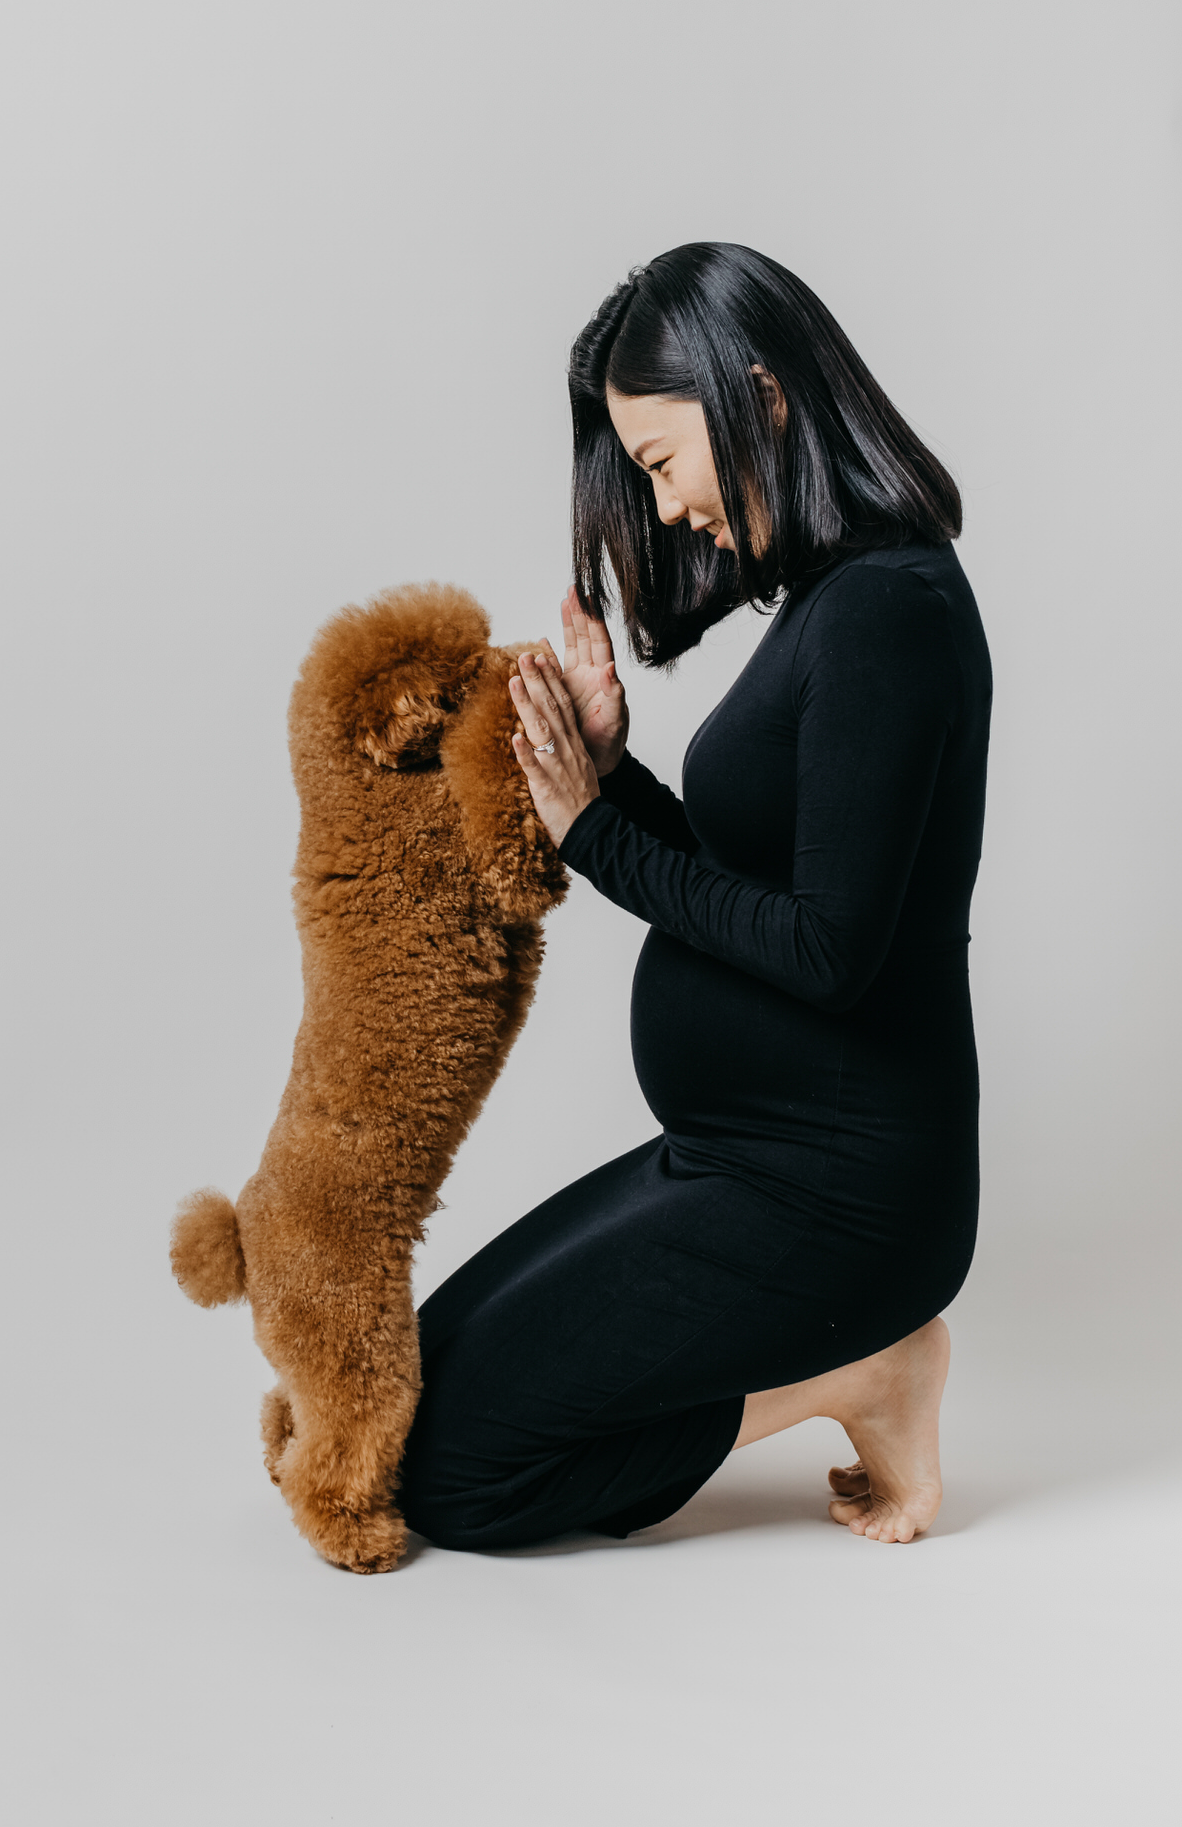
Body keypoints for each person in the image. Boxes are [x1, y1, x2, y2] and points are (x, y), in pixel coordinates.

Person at [398, 241, 990, 1550]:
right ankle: (845, 1366)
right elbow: (760, 884)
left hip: (840, 1197)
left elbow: (830, 953)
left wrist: (595, 833)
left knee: (452, 1478)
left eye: (662, 465)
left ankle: (861, 1373)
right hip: (740, 1159)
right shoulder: (836, 604)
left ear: (762, 396)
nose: (663, 514)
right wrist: (613, 781)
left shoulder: (887, 611)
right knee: (416, 1391)